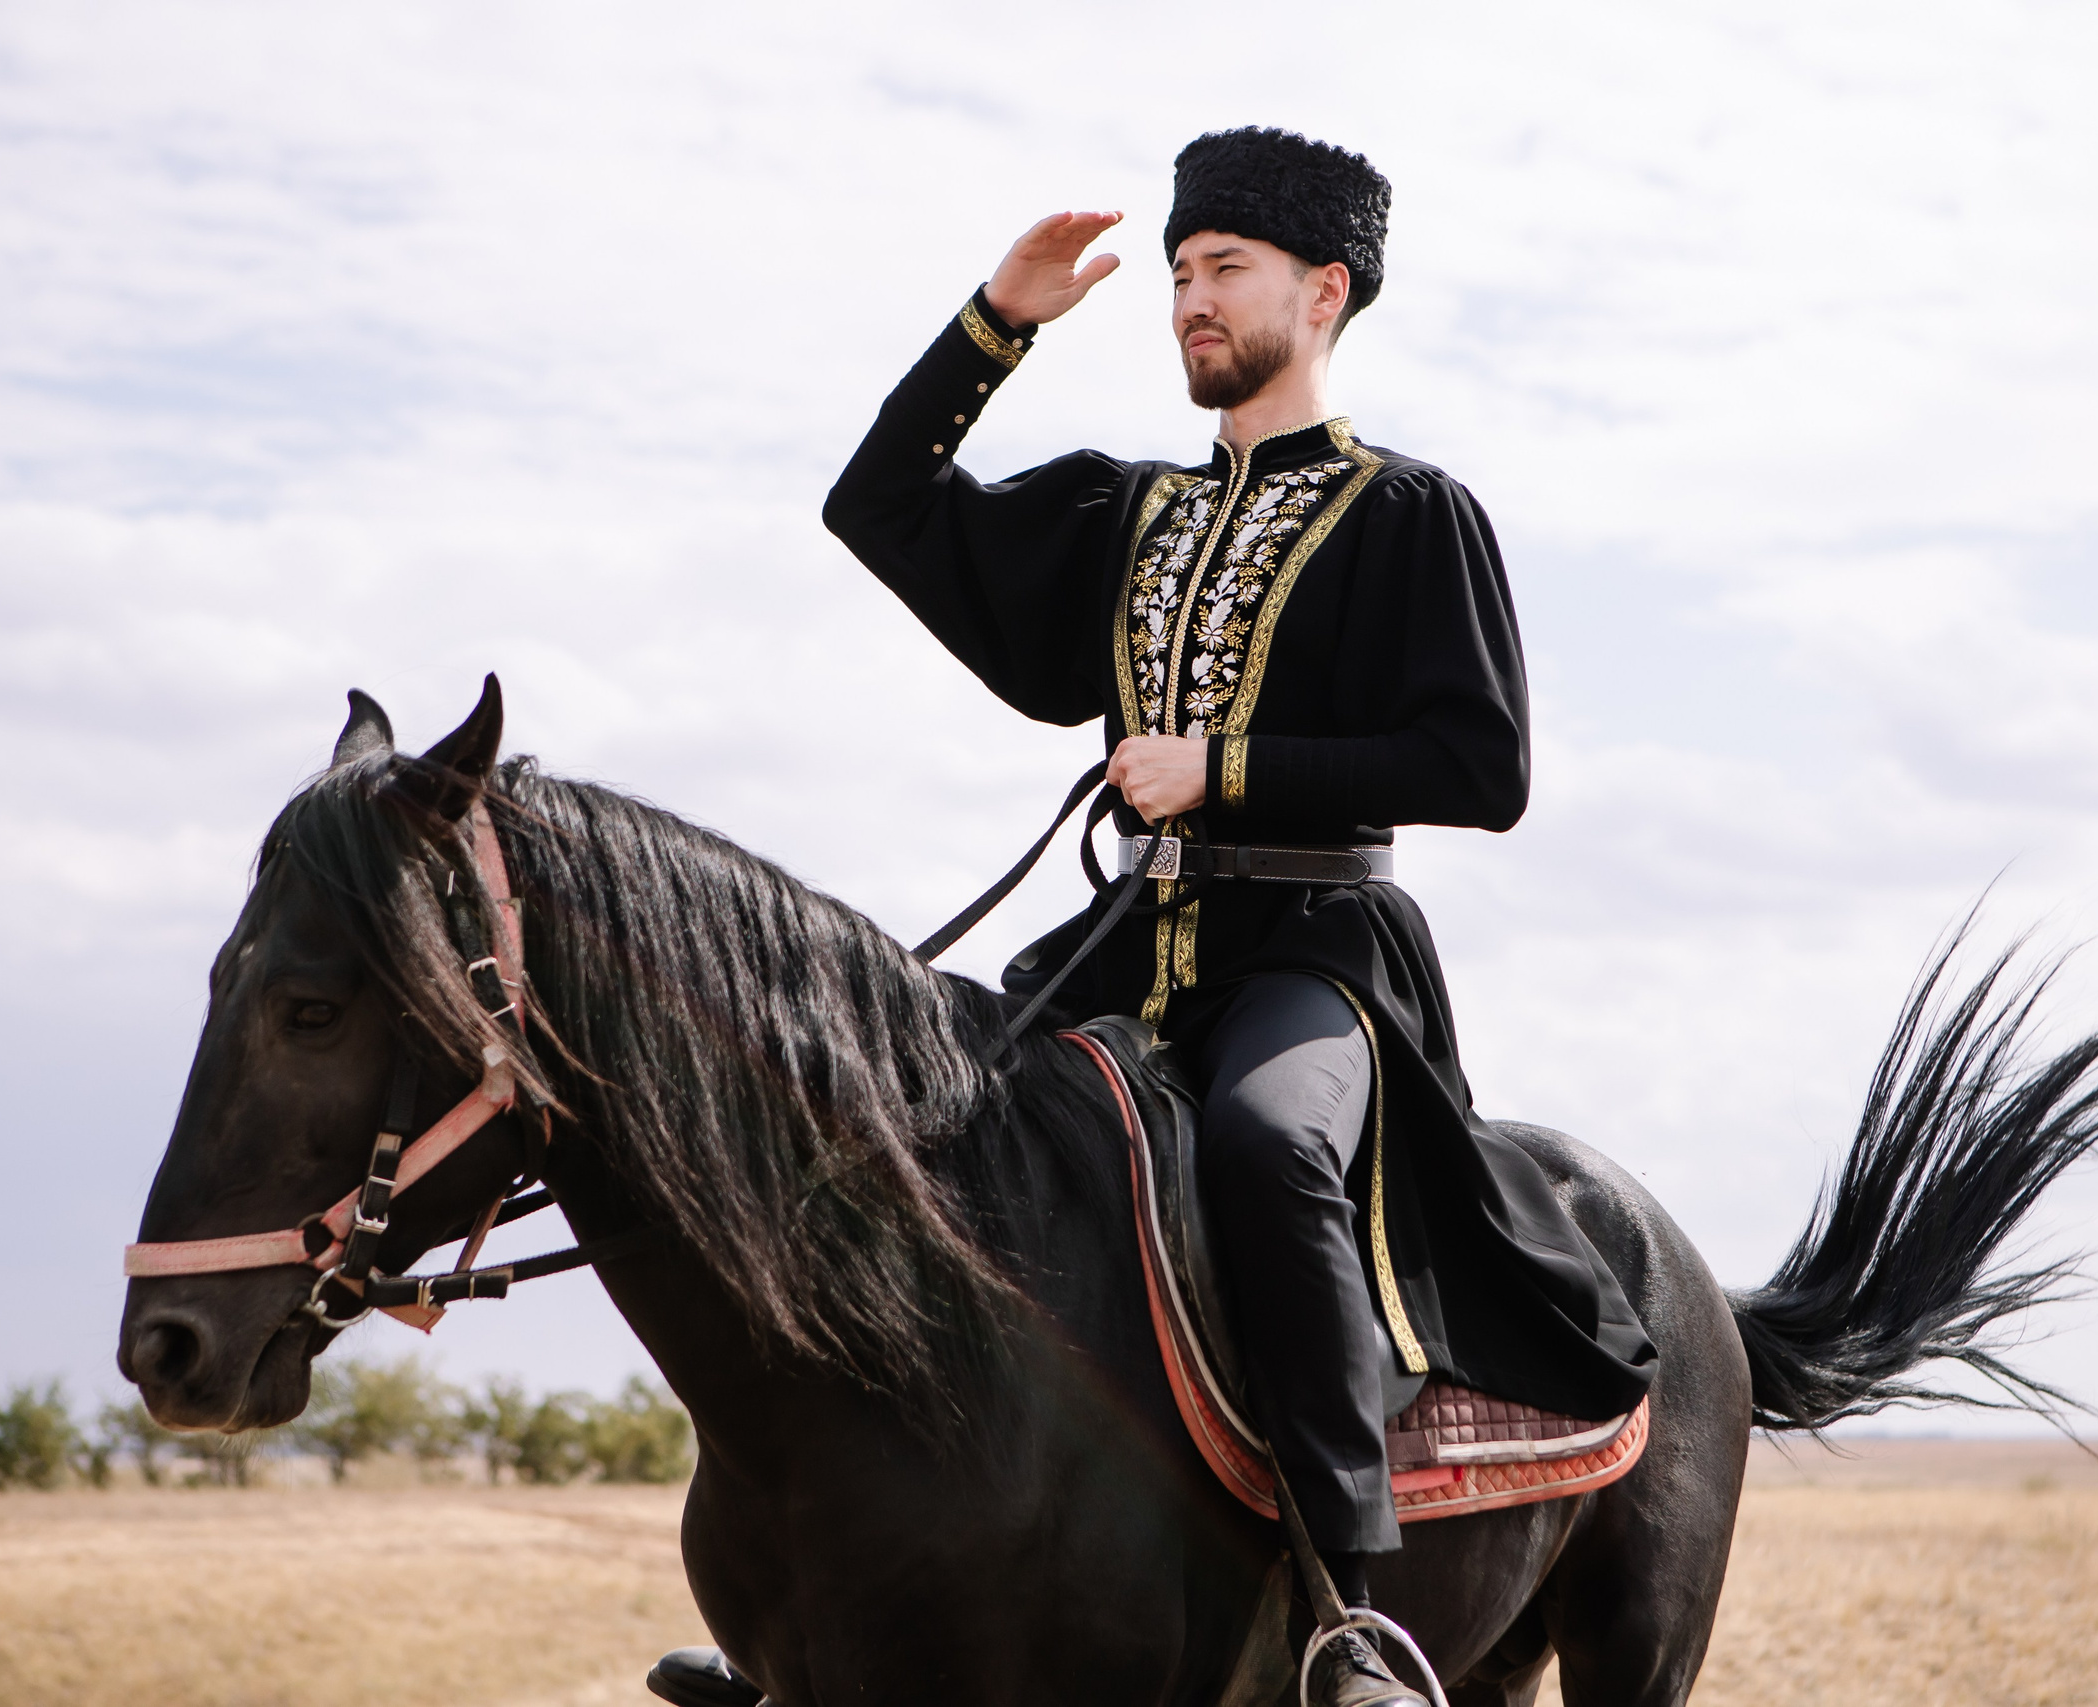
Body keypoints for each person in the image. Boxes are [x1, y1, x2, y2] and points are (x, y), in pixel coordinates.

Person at [653, 127, 1658, 1707]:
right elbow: (878, 506)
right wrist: (998, 320)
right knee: (906, 1129)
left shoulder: (1413, 516)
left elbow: (1484, 765)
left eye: (1225, 271)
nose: (1190, 299)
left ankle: (1350, 1618)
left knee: (1266, 1147)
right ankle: (816, 1610)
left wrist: (1225, 766)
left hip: (1318, 957)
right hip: (1128, 952)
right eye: (1181, 274)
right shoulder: (1126, 517)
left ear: (1322, 293)